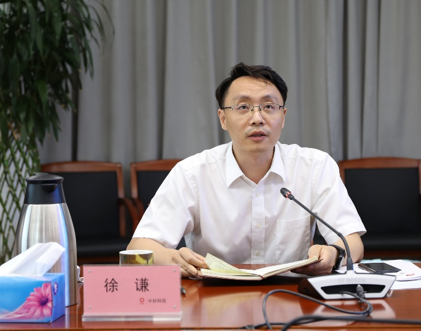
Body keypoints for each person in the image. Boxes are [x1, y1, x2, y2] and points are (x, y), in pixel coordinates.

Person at [128, 62, 366, 277]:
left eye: (269, 106)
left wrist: (334, 253)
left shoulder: (315, 167)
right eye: (243, 107)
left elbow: (353, 243)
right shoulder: (192, 174)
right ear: (223, 119)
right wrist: (170, 258)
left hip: (292, 295)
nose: (257, 118)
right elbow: (137, 249)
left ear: (283, 117)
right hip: (212, 299)